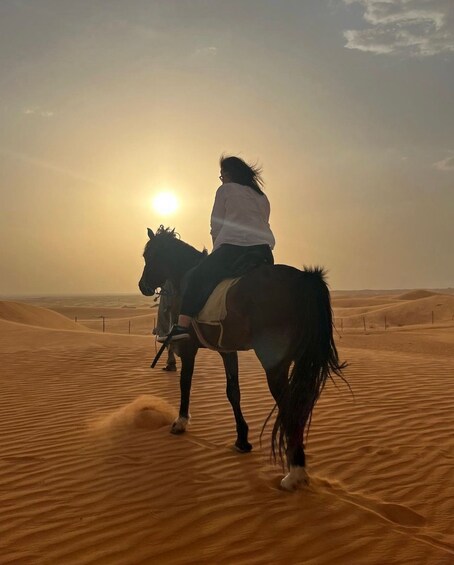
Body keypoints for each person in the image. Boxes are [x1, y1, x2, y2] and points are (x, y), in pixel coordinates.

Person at [158, 155, 275, 343]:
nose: (221, 179)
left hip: (233, 249)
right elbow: (264, 222)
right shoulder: (262, 197)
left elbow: (216, 225)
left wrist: (216, 250)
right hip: (263, 252)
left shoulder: (225, 190)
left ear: (229, 174)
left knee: (196, 277)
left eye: (222, 175)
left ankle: (182, 326)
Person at [153, 280, 180, 369]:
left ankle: (171, 362)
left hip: (169, 310)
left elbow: (171, 293)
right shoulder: (167, 280)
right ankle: (170, 360)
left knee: (169, 333)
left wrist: (168, 306)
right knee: (166, 333)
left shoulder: (170, 280)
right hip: (166, 308)